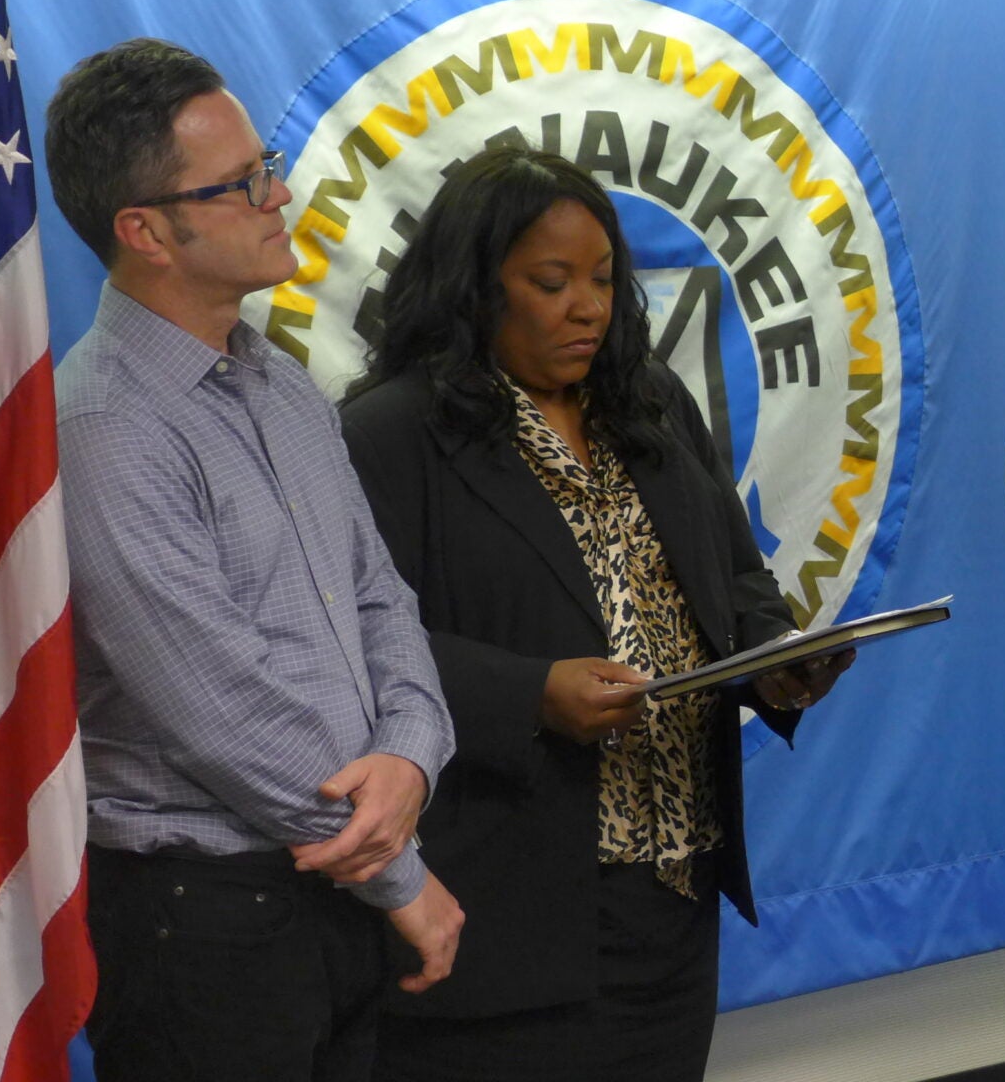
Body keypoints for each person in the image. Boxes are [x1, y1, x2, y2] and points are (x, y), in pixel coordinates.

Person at [337, 147, 850, 1081]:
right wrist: (530, 693)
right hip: (510, 907)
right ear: (473, 288)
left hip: (673, 894)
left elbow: (737, 580)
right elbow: (358, 645)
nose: (589, 307)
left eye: (605, 279)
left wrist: (776, 657)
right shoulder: (390, 432)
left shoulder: (648, 402)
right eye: (552, 282)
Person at [46, 38, 464, 1082]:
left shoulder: (280, 383)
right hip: (204, 925)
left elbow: (381, 600)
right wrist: (403, 878)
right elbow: (223, 712)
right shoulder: (104, 423)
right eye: (240, 184)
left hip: (331, 890)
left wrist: (411, 758)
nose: (280, 195)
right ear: (145, 231)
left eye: (265, 165)